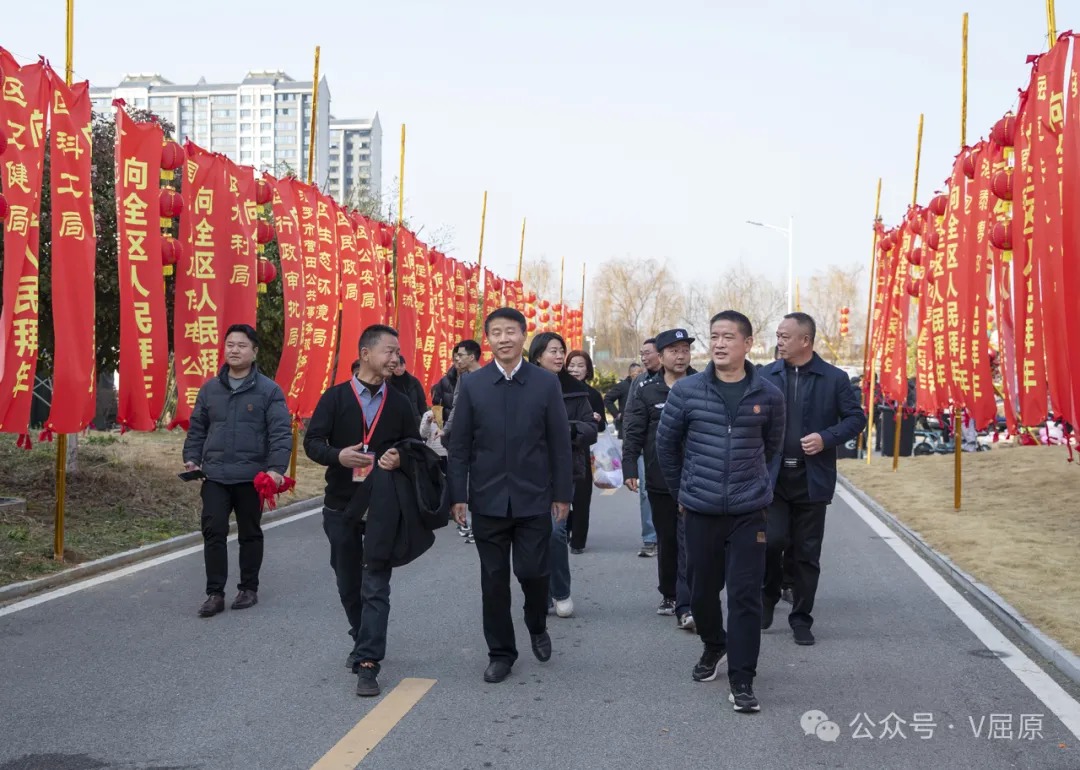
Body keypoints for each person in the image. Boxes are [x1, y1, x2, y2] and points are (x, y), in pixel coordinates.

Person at [655, 310, 784, 713]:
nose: (720, 343)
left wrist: (761, 489)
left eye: (729, 336)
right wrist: (684, 494)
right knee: (702, 591)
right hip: (700, 508)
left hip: (749, 512)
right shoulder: (687, 391)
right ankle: (715, 645)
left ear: (748, 343)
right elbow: (666, 446)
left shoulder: (769, 395)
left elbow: (774, 447)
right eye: (714, 336)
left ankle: (743, 679)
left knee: (745, 596)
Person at [447, 307, 573, 684]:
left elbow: (559, 444)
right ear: (488, 339)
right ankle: (501, 653)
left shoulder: (545, 383)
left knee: (533, 572)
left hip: (534, 497)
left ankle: (536, 623)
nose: (504, 339)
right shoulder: (473, 384)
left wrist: (562, 493)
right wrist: (458, 494)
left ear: (523, 335)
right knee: (494, 579)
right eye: (496, 332)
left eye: (511, 332)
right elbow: (459, 445)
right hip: (487, 499)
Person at [303, 324, 423, 697]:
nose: (395, 359)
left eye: (397, 352)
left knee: (376, 584)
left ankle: (369, 661)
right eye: (389, 351)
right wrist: (337, 455)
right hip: (341, 504)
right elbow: (312, 442)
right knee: (347, 582)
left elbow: (414, 446)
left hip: (384, 505)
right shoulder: (335, 398)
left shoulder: (401, 401)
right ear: (365, 354)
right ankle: (361, 637)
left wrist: (398, 455)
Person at [759, 313, 867, 646]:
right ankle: (767, 596)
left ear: (805, 340)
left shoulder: (834, 379)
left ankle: (802, 618)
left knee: (806, 553)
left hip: (811, 478)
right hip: (773, 479)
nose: (779, 342)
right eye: (777, 335)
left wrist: (826, 437)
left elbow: (855, 419)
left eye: (785, 336)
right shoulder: (765, 376)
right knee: (772, 542)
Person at [183, 324, 292, 618]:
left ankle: (248, 588)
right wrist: (192, 458)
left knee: (250, 533)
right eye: (230, 344)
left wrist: (276, 469)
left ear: (254, 352)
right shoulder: (210, 389)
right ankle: (215, 593)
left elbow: (281, 433)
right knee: (213, 530)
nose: (234, 350)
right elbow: (197, 429)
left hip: (252, 476)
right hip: (215, 475)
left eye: (241, 345)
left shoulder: (269, 391)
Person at [623, 328, 698, 628]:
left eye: (685, 350)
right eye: (674, 350)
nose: (681, 356)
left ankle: (688, 601)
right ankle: (669, 593)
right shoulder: (646, 389)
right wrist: (630, 466)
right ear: (661, 355)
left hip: (697, 477)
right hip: (660, 478)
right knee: (668, 540)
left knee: (692, 540)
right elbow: (634, 430)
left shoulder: (703, 385)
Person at [528, 334, 598, 617]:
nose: (559, 357)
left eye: (561, 351)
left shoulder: (577, 391)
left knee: (556, 532)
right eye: (552, 351)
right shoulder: (522, 387)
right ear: (536, 356)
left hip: (563, 471)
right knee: (534, 536)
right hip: (527, 472)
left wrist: (567, 429)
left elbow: (591, 431)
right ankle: (540, 593)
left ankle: (561, 591)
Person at [441, 339, 483, 543]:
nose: (457, 359)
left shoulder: (483, 378)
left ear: (472, 356)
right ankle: (471, 523)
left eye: (461, 355)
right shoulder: (463, 377)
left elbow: (458, 408)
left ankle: (475, 524)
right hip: (464, 436)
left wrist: (446, 430)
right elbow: (456, 407)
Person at [565, 349, 607, 553]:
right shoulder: (557, 389)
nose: (575, 370)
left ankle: (578, 542)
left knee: (581, 499)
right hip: (561, 451)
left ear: (588, 370)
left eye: (580, 366)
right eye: (572, 365)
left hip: (585, 453)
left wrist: (597, 421)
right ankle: (564, 528)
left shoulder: (593, 394)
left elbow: (602, 427)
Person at [623, 339, 662, 557]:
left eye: (648, 353)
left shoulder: (681, 379)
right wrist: (629, 453)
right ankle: (650, 539)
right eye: (642, 354)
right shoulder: (639, 383)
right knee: (646, 492)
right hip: (646, 449)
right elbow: (630, 416)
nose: (644, 358)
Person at [603, 362, 642, 436]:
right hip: (626, 426)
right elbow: (607, 399)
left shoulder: (642, 385)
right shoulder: (622, 386)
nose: (641, 375)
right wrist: (617, 414)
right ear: (630, 374)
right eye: (638, 372)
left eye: (642, 372)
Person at [390, 354, 428, 425]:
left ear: (405, 365)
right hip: (394, 421)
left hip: (413, 421)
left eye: (401, 365)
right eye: (396, 366)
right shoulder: (388, 383)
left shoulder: (414, 382)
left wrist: (425, 420)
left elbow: (422, 403)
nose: (399, 368)